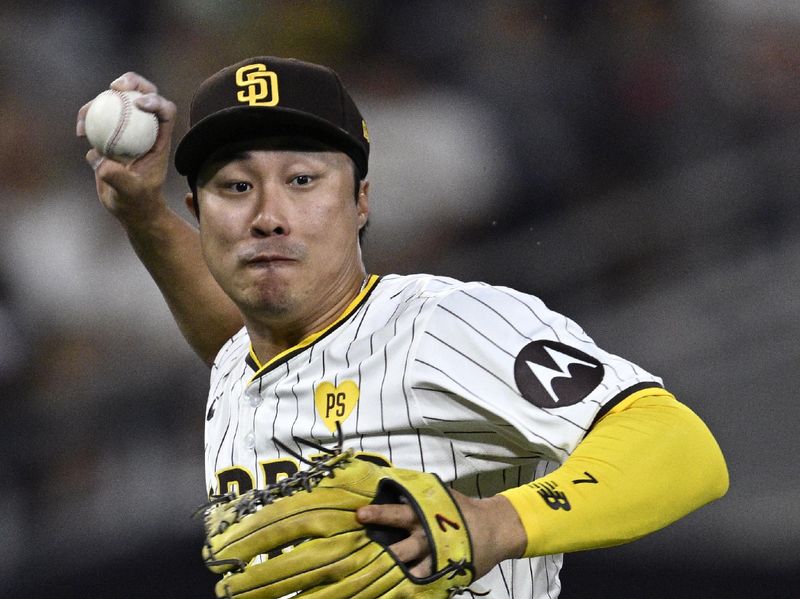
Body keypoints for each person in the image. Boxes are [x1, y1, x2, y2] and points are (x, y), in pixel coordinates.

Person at [77, 56, 728, 598]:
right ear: (197, 209)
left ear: (361, 201)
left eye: (302, 179)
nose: (268, 215)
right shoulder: (241, 361)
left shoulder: (439, 324)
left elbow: (680, 444)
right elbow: (235, 340)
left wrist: (493, 522)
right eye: (235, 186)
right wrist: (144, 214)